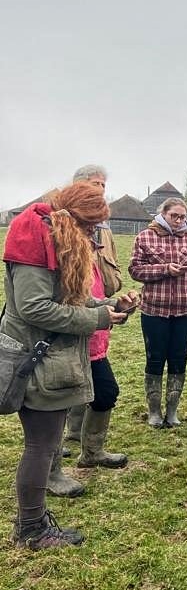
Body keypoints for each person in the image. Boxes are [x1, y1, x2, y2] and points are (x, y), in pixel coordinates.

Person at [1, 183, 133, 549]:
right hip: (37, 360)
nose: (93, 235)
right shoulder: (33, 241)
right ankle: (31, 529)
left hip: (52, 357)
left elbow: (69, 297)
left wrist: (108, 304)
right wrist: (96, 319)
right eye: (90, 227)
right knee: (41, 447)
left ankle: (35, 520)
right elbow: (34, 308)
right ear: (72, 219)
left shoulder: (56, 239)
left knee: (46, 444)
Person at [50, 164, 133, 495]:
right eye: (93, 184)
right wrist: (99, 313)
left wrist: (112, 305)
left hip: (93, 330)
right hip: (64, 338)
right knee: (56, 403)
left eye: (103, 185)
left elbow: (87, 292)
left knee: (106, 392)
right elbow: (49, 302)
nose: (99, 189)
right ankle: (51, 468)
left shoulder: (94, 235)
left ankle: (92, 452)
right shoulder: (57, 237)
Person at [128, 197, 187, 427]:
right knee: (154, 359)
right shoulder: (145, 237)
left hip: (186, 312)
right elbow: (135, 270)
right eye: (174, 215)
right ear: (163, 214)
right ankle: (154, 411)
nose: (178, 220)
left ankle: (172, 411)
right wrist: (164, 270)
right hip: (154, 310)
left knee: (179, 359)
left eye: (182, 216)